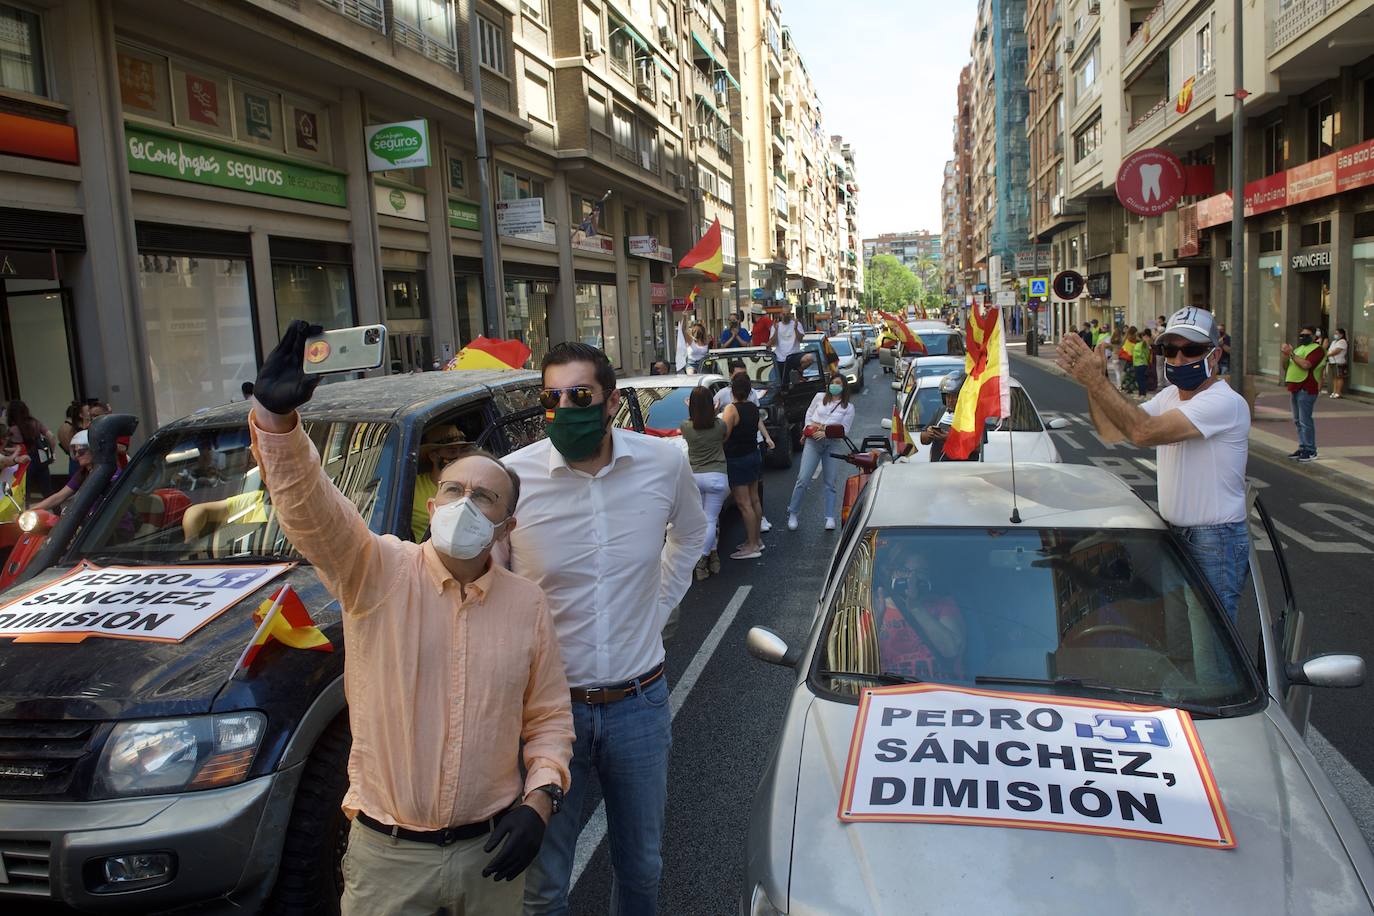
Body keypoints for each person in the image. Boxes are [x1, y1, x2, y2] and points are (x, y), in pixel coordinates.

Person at [250, 321, 574, 915]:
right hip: (389, 861)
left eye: (485, 497)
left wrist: (540, 801)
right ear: (432, 505)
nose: (465, 504)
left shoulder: (526, 605)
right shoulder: (375, 570)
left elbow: (549, 718)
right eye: (454, 490)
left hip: (491, 856)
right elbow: (312, 510)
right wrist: (278, 425)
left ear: (507, 526)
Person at [506, 341, 707, 916]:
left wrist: (660, 601)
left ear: (612, 401)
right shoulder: (514, 480)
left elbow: (691, 535)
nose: (564, 408)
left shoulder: (664, 463)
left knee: (641, 868)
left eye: (579, 396)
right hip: (548, 717)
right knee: (544, 884)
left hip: (638, 706)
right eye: (552, 397)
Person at [1058, 306, 1251, 624]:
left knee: (1211, 659)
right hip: (1176, 534)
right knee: (1179, 646)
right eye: (1169, 350)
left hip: (1214, 541)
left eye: (1190, 350)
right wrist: (1095, 383)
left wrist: (1097, 381)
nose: (1178, 359)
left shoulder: (1224, 402)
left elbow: (1142, 431)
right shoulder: (1171, 396)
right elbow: (1111, 430)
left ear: (1214, 356)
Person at [874, 545, 965, 681]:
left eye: (920, 572)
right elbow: (856, 661)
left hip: (944, 693)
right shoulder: (876, 607)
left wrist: (916, 608)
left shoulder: (942, 604)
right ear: (891, 573)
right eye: (905, 571)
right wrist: (877, 621)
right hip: (890, 694)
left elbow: (951, 651)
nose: (912, 578)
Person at [786, 372, 855, 532]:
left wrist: (824, 430)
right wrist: (806, 431)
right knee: (803, 479)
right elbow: (809, 416)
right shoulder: (819, 397)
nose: (835, 386)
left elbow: (844, 429)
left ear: (844, 387)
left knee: (830, 482)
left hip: (832, 444)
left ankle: (829, 517)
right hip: (812, 443)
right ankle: (793, 512)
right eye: (833, 382)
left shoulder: (848, 407)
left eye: (839, 383)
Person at [714, 360, 773, 534]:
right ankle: (756, 541)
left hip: (738, 457)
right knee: (753, 499)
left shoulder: (731, 409)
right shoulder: (752, 407)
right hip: (751, 452)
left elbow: (724, 435)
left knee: (744, 502)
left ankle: (752, 543)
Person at [681, 386, 729, 579]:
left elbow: (695, 420)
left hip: (695, 477)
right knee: (710, 519)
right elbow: (722, 432)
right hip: (717, 476)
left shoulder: (685, 427)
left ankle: (713, 557)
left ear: (691, 407)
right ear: (712, 405)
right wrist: (715, 411)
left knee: (704, 521)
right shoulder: (719, 426)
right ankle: (704, 558)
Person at [412, 424, 471, 541]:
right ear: (433, 456)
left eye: (462, 451)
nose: (459, 457)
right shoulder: (412, 487)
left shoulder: (471, 487)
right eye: (452, 451)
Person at [1282, 325, 1325, 462]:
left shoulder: (1317, 350)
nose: (1302, 337)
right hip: (1295, 387)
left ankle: (1310, 450)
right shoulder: (1299, 349)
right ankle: (1303, 447)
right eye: (1301, 335)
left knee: (1305, 420)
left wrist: (1292, 354)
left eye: (1306, 335)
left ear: (1313, 336)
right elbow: (1286, 366)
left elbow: (1306, 365)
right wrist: (1286, 354)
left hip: (1307, 388)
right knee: (1297, 420)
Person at [29, 429, 93, 513]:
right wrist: (30, 511)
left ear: (93, 449)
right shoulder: (83, 473)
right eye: (75, 451)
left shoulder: (109, 473)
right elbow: (59, 496)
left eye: (81, 451)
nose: (77, 455)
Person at [6, 399, 57, 499]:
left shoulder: (13, 429)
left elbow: (17, 448)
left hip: (24, 463)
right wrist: (52, 453)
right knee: (48, 491)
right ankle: (58, 513)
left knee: (24, 493)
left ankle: (25, 513)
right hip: (40, 460)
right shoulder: (35, 423)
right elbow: (51, 436)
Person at [57, 401, 90, 481]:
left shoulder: (63, 428)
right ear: (80, 415)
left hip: (73, 460)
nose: (89, 413)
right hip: (80, 461)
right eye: (88, 411)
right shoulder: (74, 429)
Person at [1129, 326, 1150, 398]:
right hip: (1137, 364)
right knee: (1139, 380)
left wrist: (1145, 337)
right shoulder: (1137, 344)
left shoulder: (1143, 344)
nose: (1135, 337)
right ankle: (1141, 393)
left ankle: (1142, 394)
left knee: (1141, 380)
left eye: (1137, 336)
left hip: (1141, 364)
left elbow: (1146, 342)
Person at [1329, 327, 1349, 398]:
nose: (1335, 335)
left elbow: (1337, 351)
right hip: (1332, 361)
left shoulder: (1342, 341)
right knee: (1334, 377)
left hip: (1339, 361)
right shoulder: (1334, 342)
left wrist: (1328, 354)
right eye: (1335, 333)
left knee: (1339, 377)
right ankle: (1334, 391)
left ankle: (1338, 392)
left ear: (1341, 334)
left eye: (1337, 333)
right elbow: (1330, 350)